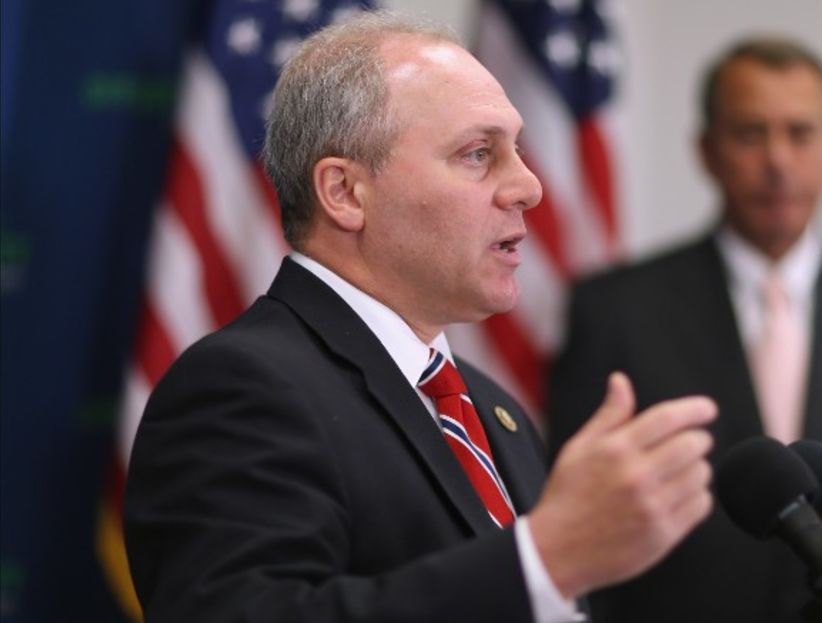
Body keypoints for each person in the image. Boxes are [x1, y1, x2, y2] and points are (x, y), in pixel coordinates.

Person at [123, 11, 719, 623]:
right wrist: (545, 560)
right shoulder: (241, 386)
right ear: (346, 193)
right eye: (478, 153)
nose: (530, 187)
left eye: (516, 150)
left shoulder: (492, 408)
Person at [548, 36, 822, 622]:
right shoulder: (613, 309)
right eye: (750, 134)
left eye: (800, 133)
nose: (778, 161)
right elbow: (584, 520)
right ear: (706, 150)